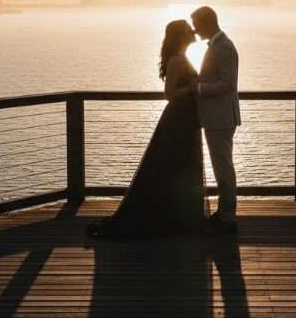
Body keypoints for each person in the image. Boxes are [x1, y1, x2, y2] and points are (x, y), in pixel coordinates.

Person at [85, 20, 207, 240]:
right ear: (180, 35)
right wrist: (191, 87)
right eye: (189, 28)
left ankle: (177, 217)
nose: (193, 30)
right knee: (174, 167)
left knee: (180, 167)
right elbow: (169, 93)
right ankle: (172, 219)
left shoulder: (182, 58)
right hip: (178, 119)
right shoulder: (177, 61)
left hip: (186, 119)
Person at [190, 6, 241, 236]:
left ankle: (228, 218)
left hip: (221, 118)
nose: (194, 29)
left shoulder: (225, 47)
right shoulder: (217, 45)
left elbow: (228, 83)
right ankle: (223, 213)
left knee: (224, 169)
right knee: (221, 168)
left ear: (207, 22)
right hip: (216, 117)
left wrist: (199, 88)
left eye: (196, 24)